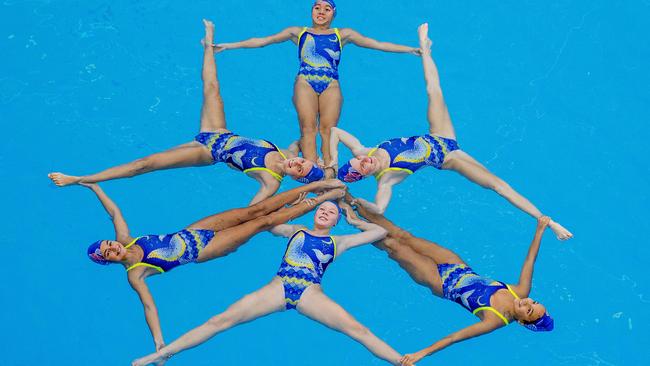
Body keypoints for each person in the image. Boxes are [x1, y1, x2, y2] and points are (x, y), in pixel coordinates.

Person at [331, 23, 572, 240]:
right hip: (449, 157)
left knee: (433, 90)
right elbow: (380, 208)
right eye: (363, 167)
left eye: (359, 160)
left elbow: (335, 131)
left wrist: (330, 160)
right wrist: (356, 203)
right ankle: (549, 222)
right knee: (498, 186)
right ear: (364, 175)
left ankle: (425, 50)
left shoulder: (364, 150)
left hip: (440, 135)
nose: (365, 161)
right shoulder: (386, 179)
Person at [48, 19, 324, 205]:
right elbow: (300, 141)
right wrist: (320, 157)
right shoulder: (289, 155)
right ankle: (209, 44)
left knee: (144, 164)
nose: (297, 164)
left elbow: (250, 213)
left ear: (295, 178)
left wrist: (295, 202)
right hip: (218, 130)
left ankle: (80, 179)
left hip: (207, 152)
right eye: (302, 162)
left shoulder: (271, 182)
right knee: (212, 87)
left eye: (300, 170)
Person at [78, 178, 344, 355]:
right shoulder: (135, 273)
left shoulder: (126, 239)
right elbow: (149, 306)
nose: (113, 247)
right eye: (108, 253)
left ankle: (319, 185)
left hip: (194, 230)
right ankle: (322, 199)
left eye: (108, 244)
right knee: (262, 223)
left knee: (253, 211)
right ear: (109, 261)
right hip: (205, 249)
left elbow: (114, 212)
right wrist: (159, 342)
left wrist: (92, 186)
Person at [131, 201, 406, 366]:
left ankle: (399, 360)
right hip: (279, 287)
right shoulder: (293, 230)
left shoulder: (340, 241)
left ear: (336, 221)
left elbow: (380, 230)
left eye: (330, 213)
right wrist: (298, 204)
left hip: (310, 293)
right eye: (321, 209)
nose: (324, 213)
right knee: (219, 320)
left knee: (357, 329)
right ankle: (163, 354)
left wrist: (353, 217)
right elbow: (269, 224)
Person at [214, 0, 421, 176]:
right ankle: (311, 169)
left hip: (330, 83)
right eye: (317, 7)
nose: (321, 12)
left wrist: (410, 49)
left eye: (326, 9)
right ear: (311, 11)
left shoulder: (342, 34)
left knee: (328, 130)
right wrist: (230, 45)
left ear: (333, 14)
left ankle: (329, 170)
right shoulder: (298, 32)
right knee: (308, 128)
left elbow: (377, 43)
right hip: (305, 81)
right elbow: (263, 41)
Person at [348, 195, 554, 366]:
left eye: (528, 310)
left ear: (522, 321)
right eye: (534, 302)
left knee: (393, 246)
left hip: (441, 283)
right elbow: (530, 260)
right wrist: (540, 230)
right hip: (457, 266)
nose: (527, 302)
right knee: (404, 236)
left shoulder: (493, 320)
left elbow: (454, 337)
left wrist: (422, 353)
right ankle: (350, 200)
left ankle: (350, 217)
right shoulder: (521, 291)